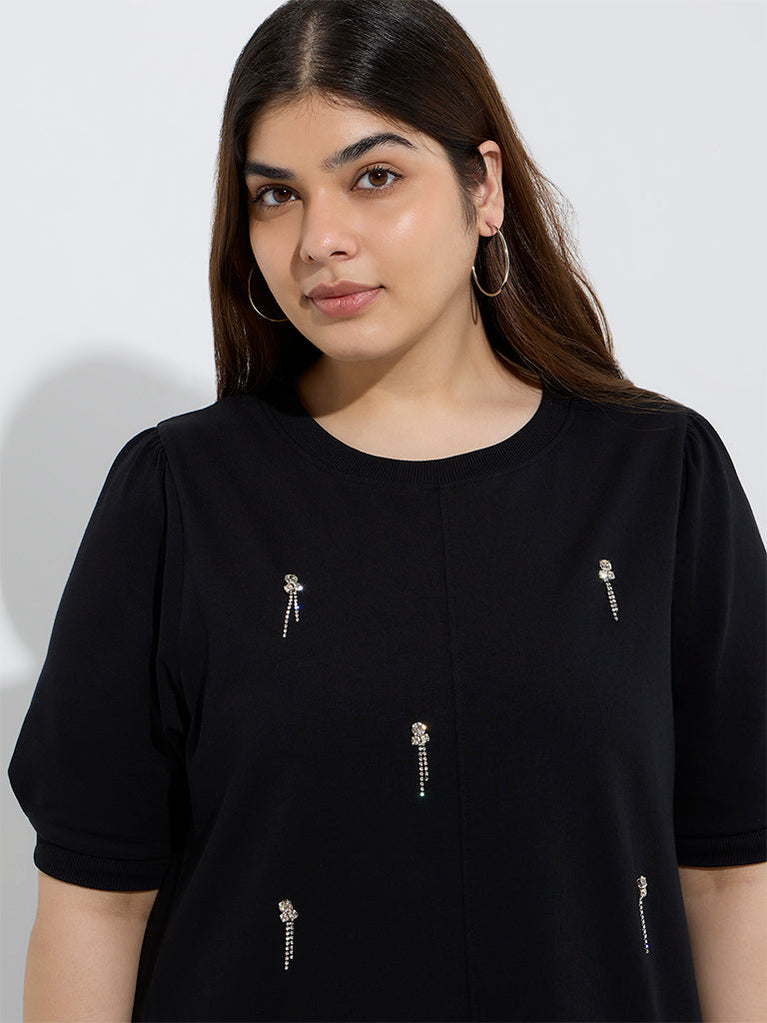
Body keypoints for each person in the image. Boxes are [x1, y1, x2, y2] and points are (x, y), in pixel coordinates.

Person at [7, 0, 766, 1020]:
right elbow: (96, 906)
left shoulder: (660, 478)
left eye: (373, 176)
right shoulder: (177, 496)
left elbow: (728, 875)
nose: (319, 239)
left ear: (483, 187)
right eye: (275, 195)